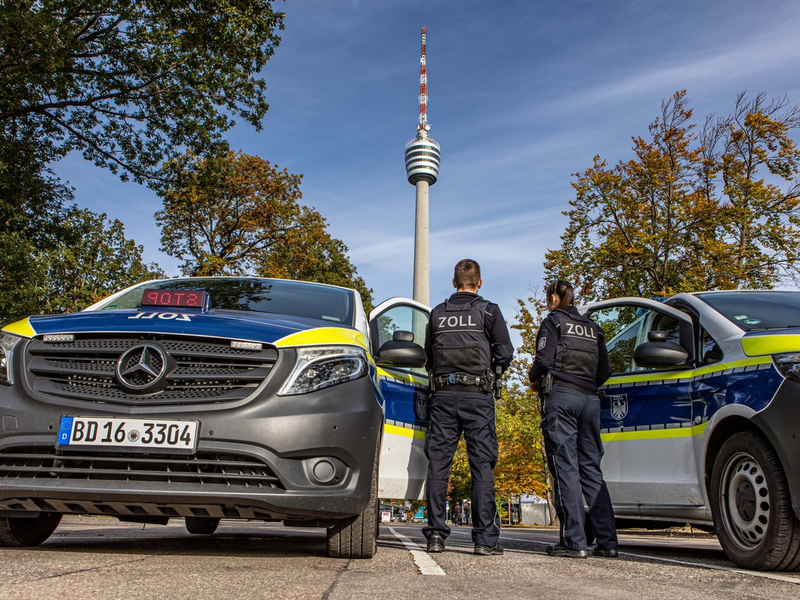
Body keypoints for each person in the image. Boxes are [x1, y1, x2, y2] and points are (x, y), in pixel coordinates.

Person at [422, 259, 514, 556]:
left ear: (454, 283)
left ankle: (436, 535)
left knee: (438, 465)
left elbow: (428, 358)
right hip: (478, 396)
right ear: (479, 282)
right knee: (482, 466)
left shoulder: (437, 313)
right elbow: (505, 353)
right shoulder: (489, 311)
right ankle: (484, 540)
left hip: (443, 396)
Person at [529, 280, 618, 559]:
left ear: (554, 298)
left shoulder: (553, 322)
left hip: (562, 398)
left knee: (565, 467)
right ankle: (607, 542)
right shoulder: (593, 328)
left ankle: (574, 541)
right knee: (592, 469)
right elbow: (604, 370)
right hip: (591, 401)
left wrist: (533, 379)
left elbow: (543, 361)